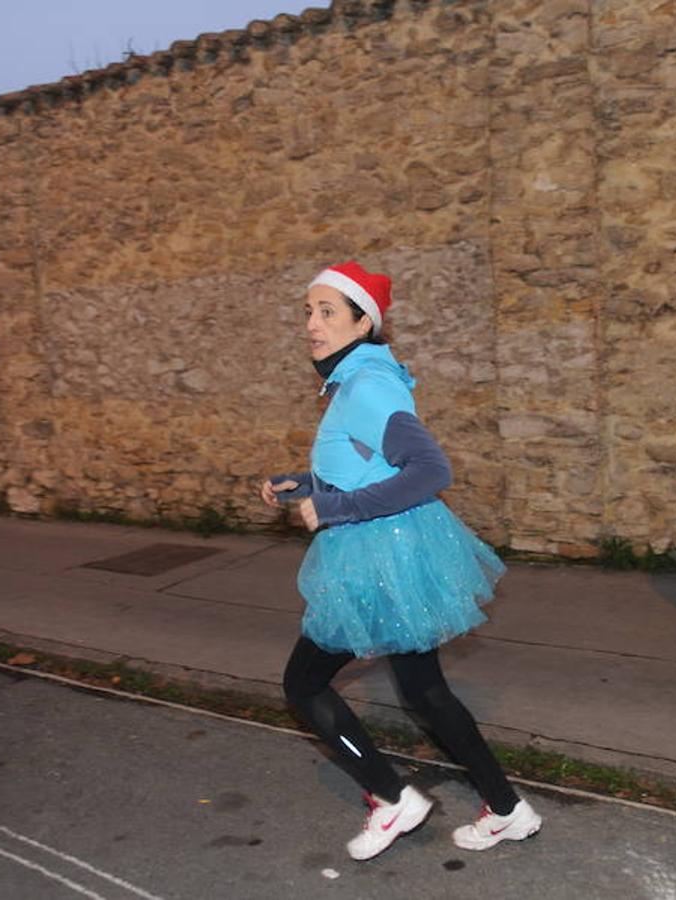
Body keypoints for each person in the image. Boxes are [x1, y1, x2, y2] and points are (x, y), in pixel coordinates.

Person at [259, 261, 541, 862]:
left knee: (304, 683)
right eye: (308, 311)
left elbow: (431, 471)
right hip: (395, 550)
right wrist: (305, 483)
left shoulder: (366, 385)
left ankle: (391, 799)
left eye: (328, 311)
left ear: (364, 321)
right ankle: (509, 809)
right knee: (427, 692)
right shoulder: (359, 379)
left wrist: (335, 510)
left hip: (373, 556)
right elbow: (365, 465)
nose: (312, 323)